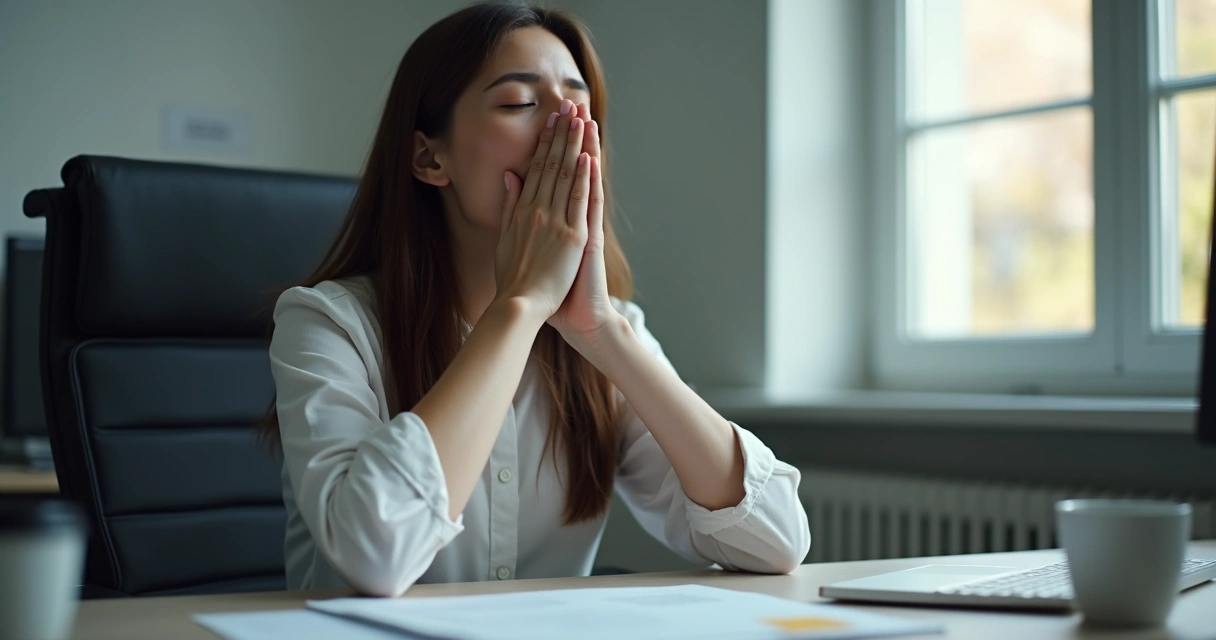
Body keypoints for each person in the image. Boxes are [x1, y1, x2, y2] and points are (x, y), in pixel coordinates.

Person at [260, 0, 811, 597]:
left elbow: (777, 540)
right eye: (520, 103)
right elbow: (374, 555)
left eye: (579, 102)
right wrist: (518, 308)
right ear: (429, 157)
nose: (567, 124)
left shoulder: (607, 331)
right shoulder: (327, 323)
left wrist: (605, 333)